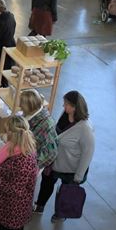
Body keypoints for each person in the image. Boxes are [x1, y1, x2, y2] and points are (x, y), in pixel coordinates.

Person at [33, 90, 95, 222]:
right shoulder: (65, 115)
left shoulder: (85, 129)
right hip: (54, 162)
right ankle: (40, 205)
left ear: (75, 107)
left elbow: (87, 153)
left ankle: (61, 213)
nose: (63, 106)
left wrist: (78, 176)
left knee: (66, 191)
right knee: (46, 182)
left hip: (70, 168)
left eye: (66, 104)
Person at [20, 90, 58, 169]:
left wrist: (31, 166)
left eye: (22, 104)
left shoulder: (46, 125)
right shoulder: (29, 114)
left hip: (30, 163)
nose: (19, 105)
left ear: (30, 106)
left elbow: (51, 153)